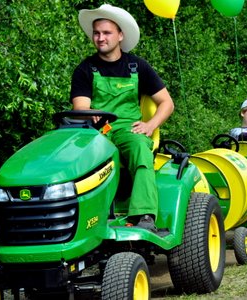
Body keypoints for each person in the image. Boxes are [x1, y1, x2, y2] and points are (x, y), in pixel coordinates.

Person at [70, 4, 174, 232]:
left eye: (106, 33)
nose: (100, 38)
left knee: (139, 148)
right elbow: (81, 107)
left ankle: (145, 214)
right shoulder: (85, 69)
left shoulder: (138, 66)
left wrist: (151, 124)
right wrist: (89, 114)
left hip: (129, 129)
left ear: (120, 35)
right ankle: (89, 218)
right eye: (96, 33)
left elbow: (167, 103)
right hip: (98, 131)